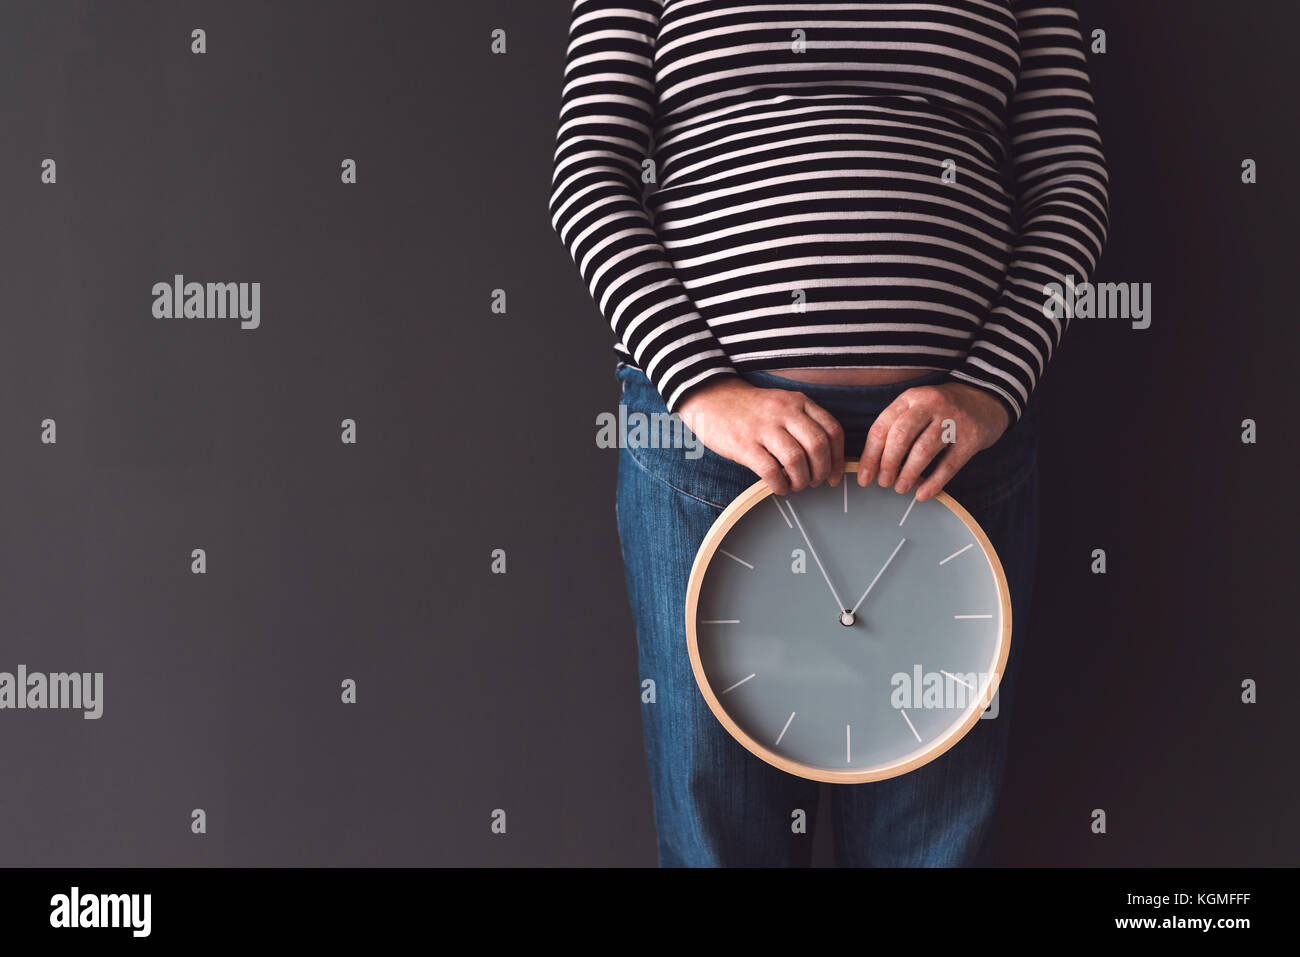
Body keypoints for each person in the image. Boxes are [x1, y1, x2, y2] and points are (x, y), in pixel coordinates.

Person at [549, 0, 1109, 866]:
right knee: (719, 845)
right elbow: (589, 174)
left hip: (950, 456)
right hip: (712, 458)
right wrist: (702, 386)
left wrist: (990, 388)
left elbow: (1070, 186)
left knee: (934, 845)